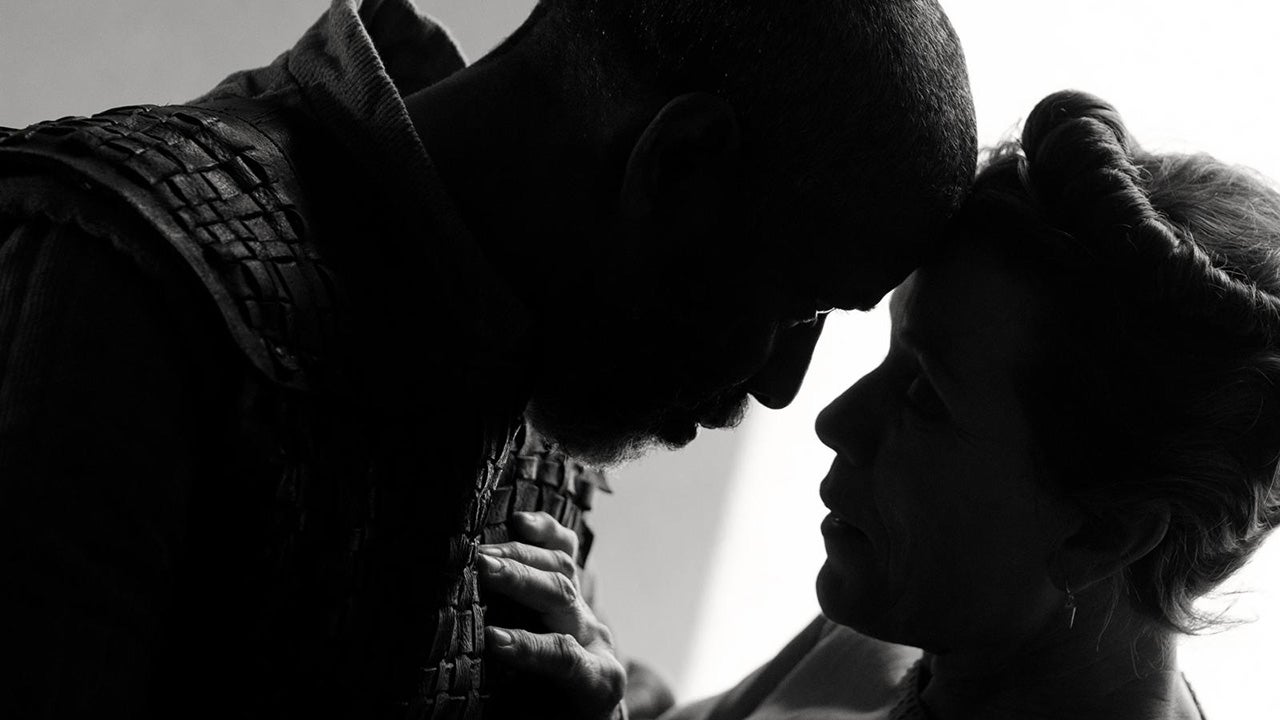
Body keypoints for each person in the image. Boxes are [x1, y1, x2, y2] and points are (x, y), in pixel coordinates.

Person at [0, 0, 976, 717]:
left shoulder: (523, 363)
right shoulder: (121, 284)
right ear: (675, 164)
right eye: (796, 307)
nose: (782, 388)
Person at [484, 90, 1280, 719]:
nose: (835, 421)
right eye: (890, 354)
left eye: (925, 395)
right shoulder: (884, 642)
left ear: (1105, 532)